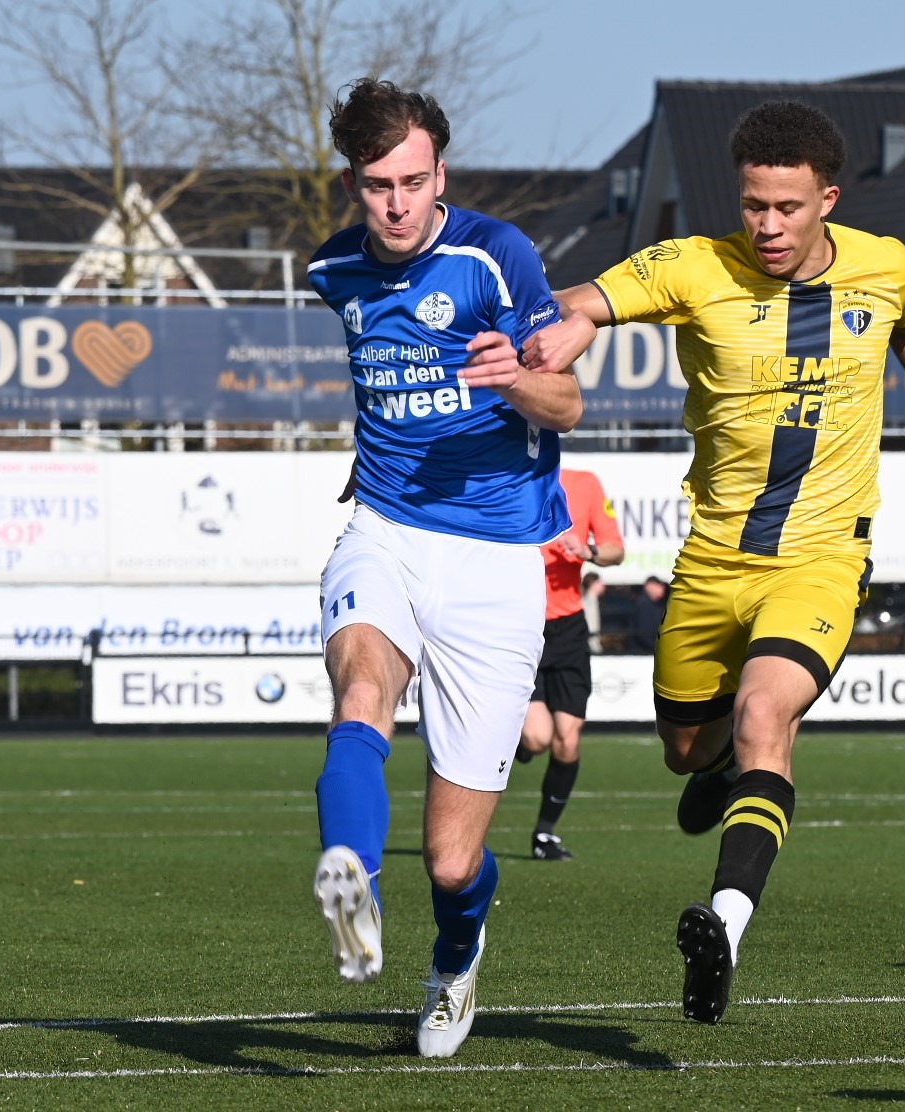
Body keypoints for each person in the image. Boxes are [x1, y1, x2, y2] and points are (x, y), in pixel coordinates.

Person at [527, 99, 905, 1024]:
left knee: (767, 715)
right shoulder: (694, 264)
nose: (766, 226)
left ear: (826, 200)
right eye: (753, 205)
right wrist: (574, 326)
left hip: (819, 558)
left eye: (786, 208)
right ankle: (718, 773)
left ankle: (723, 926)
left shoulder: (883, 265)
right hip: (713, 563)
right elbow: (586, 299)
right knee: (687, 752)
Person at [306, 78, 592, 1059]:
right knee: (359, 686)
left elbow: (568, 405)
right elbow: (378, 379)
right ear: (353, 183)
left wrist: (517, 376)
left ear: (443, 173)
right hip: (383, 530)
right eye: (377, 184)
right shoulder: (330, 267)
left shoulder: (494, 256)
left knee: (452, 853)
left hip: (495, 561)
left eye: (413, 181)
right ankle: (353, 884)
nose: (396, 203)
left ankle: (456, 951)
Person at [516, 468, 624, 860]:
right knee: (537, 738)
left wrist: (588, 551)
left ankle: (544, 834)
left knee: (568, 738)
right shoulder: (512, 475)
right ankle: (518, 744)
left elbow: (616, 549)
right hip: (521, 624)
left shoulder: (586, 484)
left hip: (569, 630)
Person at [628, 576, 668, 654]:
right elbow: (644, 633)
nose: (662, 588)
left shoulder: (657, 604)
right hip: (644, 652)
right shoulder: (644, 604)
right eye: (659, 585)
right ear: (650, 586)